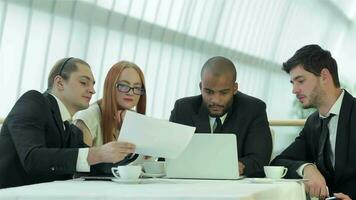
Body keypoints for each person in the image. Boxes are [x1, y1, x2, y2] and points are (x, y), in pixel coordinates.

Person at [0, 57, 136, 188]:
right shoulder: (34, 101)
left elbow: (95, 164)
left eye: (93, 85)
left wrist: (130, 143)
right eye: (84, 82)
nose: (92, 90)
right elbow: (32, 158)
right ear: (59, 83)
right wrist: (96, 153)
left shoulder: (70, 129)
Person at [271, 44, 355, 200]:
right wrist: (307, 168)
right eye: (293, 83)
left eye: (300, 81)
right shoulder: (313, 123)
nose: (294, 90)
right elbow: (278, 162)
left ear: (324, 76)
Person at [169, 56, 272, 177]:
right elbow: (168, 156)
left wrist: (238, 166)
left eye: (223, 93)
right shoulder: (183, 108)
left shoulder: (253, 109)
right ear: (200, 87)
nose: (215, 100)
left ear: (235, 88)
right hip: (187, 185)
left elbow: (259, 160)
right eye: (208, 92)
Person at [74, 60, 149, 164]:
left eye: (137, 88)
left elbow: (144, 164)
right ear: (110, 86)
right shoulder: (88, 117)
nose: (131, 92)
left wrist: (130, 131)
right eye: (123, 85)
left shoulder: (134, 119)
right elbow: (78, 166)